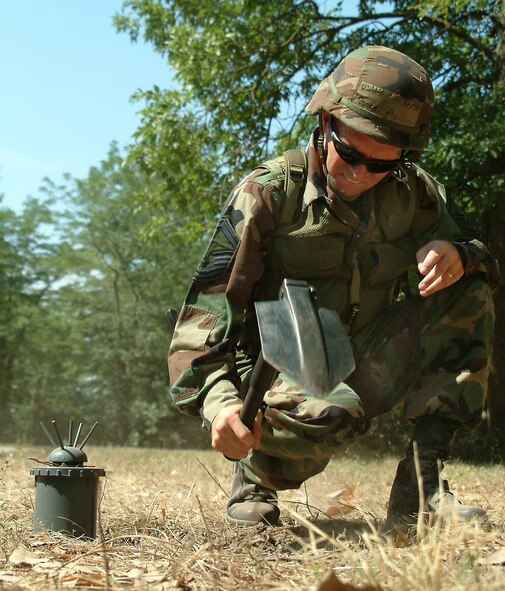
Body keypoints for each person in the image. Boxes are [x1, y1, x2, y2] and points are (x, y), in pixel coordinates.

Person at [168, 45, 499, 530]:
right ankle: (256, 477)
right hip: (284, 366)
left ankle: (421, 494)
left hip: (370, 353)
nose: (362, 174)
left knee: (470, 296)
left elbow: (480, 250)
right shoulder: (269, 193)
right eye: (350, 153)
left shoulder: (414, 191)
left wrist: (460, 255)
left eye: (381, 164)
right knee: (332, 412)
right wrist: (221, 406)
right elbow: (197, 332)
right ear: (324, 123)